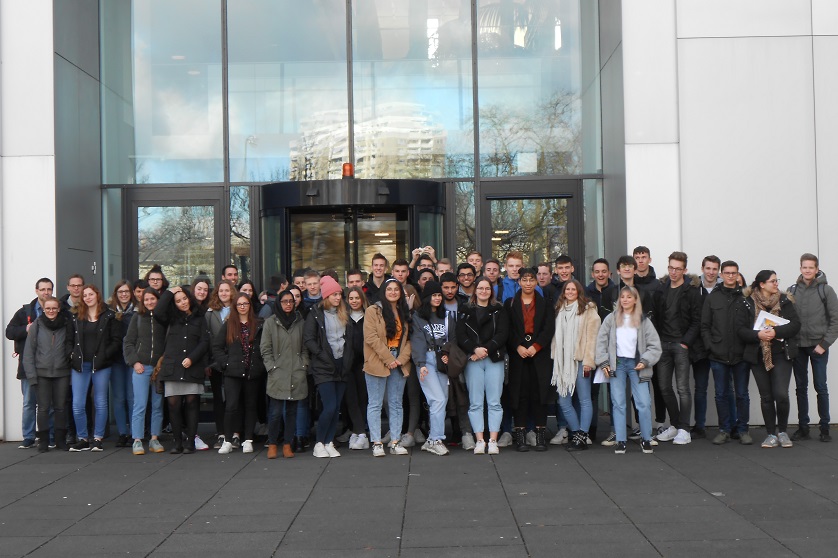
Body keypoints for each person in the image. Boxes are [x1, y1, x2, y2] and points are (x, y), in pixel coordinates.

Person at [595, 286, 662, 454]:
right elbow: (600, 342)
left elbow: (655, 346)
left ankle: (646, 438)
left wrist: (645, 360)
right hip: (617, 364)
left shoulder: (644, 320)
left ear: (635, 300)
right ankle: (621, 440)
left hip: (637, 365)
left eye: (629, 297)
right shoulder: (611, 319)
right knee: (618, 403)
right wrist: (604, 362)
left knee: (644, 403)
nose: (625, 300)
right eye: (622, 297)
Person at [740, 270, 801, 448]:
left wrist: (776, 332)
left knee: (781, 394)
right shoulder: (747, 303)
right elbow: (741, 330)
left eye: (776, 280)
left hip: (782, 354)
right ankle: (770, 434)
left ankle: (782, 432)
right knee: (766, 396)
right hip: (758, 355)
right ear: (762, 284)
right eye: (772, 281)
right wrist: (758, 334)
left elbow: (796, 325)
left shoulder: (785, 301)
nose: (776, 284)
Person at [651, 252, 701, 446]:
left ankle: (684, 429)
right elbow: (655, 315)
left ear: (685, 270)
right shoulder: (662, 288)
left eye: (678, 269)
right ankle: (675, 425)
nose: (673, 272)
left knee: (682, 388)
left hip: (681, 345)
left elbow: (697, 321)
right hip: (663, 344)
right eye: (671, 267)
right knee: (664, 387)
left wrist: (685, 342)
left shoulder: (691, 291)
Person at [701, 260, 753, 445]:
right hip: (718, 355)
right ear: (721, 275)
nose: (730, 276)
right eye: (727, 273)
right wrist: (711, 346)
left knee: (742, 394)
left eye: (734, 273)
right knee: (721, 394)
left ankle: (743, 430)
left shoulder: (747, 298)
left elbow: (752, 325)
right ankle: (724, 430)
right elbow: (705, 326)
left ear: (738, 275)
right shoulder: (712, 297)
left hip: (740, 355)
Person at [789, 253, 838, 442]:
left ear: (817, 269)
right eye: (804, 267)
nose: (807, 270)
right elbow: (788, 319)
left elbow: (835, 320)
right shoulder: (792, 290)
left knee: (821, 387)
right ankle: (803, 428)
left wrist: (824, 344)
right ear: (800, 268)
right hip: (799, 347)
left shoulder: (826, 290)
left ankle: (824, 428)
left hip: (818, 347)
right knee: (801, 387)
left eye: (811, 267)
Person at [457, 276, 509, 455]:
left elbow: (503, 333)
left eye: (487, 288)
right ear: (475, 289)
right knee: (475, 402)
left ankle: (493, 439)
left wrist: (485, 349)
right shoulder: (465, 310)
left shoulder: (499, 309)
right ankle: (480, 439)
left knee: (494, 401)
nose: (484, 291)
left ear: (491, 291)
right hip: (473, 360)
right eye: (480, 288)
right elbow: (460, 334)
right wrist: (474, 349)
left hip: (494, 358)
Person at [505, 268, 555, 452]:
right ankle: (520, 435)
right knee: (520, 394)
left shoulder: (546, 304)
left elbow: (549, 329)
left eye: (531, 280)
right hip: (518, 354)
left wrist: (536, 346)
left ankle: (540, 434)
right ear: (519, 282)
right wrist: (517, 345)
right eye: (524, 279)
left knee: (539, 394)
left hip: (539, 354)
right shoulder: (510, 304)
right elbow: (507, 329)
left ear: (536, 282)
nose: (528, 283)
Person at [304, 276, 354, 458]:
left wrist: (347, 360)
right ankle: (319, 442)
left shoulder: (344, 312)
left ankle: (328, 441)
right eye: (334, 294)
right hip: (324, 366)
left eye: (339, 294)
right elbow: (309, 339)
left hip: (342, 365)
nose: (338, 297)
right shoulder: (315, 313)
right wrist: (322, 355)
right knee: (330, 406)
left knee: (337, 407)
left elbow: (349, 338)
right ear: (326, 296)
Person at [156, 286, 209, 454]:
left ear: (190, 298)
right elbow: (158, 311)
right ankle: (177, 442)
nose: (182, 303)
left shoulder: (200, 317)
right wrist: (170, 292)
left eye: (184, 299)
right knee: (173, 405)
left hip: (193, 367)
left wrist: (192, 358)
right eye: (178, 301)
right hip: (172, 368)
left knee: (192, 404)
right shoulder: (170, 318)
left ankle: (190, 442)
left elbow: (204, 342)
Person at [69, 285, 122, 452]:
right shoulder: (76, 316)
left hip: (101, 365)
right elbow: (69, 340)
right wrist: (71, 354)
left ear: (97, 295)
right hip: (80, 365)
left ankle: (98, 438)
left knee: (100, 402)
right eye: (85, 295)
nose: (87, 297)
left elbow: (116, 341)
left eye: (90, 294)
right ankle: (83, 438)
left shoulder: (109, 316)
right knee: (77, 403)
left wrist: (105, 355)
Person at [364, 278, 412, 457]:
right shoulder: (373, 311)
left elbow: (409, 340)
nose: (393, 292)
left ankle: (395, 441)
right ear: (383, 291)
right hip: (378, 360)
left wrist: (400, 359)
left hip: (399, 362)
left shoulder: (404, 312)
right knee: (375, 403)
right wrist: (388, 358)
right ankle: (377, 442)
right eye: (389, 289)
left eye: (396, 289)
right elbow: (371, 338)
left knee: (396, 403)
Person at [6, 277, 55, 449]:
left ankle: (49, 436)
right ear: (36, 291)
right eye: (43, 289)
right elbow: (9, 332)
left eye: (49, 289)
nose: (46, 292)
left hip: (49, 364)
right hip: (28, 365)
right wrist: (25, 329)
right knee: (29, 402)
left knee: (48, 403)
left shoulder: (55, 310)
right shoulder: (24, 312)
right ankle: (28, 436)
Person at [214, 293, 265, 454]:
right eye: (239, 304)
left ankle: (248, 439)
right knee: (231, 406)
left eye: (246, 304)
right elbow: (217, 347)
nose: (243, 307)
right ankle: (228, 440)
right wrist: (226, 363)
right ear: (235, 307)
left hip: (252, 371)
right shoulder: (229, 324)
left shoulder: (258, 324)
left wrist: (261, 365)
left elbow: (265, 347)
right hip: (232, 372)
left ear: (250, 305)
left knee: (251, 406)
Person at [551, 280, 600, 452]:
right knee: (563, 401)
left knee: (584, 400)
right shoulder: (559, 309)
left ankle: (581, 435)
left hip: (580, 362)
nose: (570, 292)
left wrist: (588, 361)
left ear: (579, 291)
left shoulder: (588, 310)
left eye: (573, 289)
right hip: (563, 362)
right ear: (563, 292)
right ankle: (578, 434)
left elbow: (592, 338)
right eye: (567, 289)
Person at [261, 289, 308, 459]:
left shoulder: (300, 322)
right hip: (277, 372)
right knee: (275, 412)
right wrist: (271, 367)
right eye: (284, 301)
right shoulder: (270, 323)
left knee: (292, 412)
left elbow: (305, 347)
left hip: (296, 371)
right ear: (278, 303)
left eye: (291, 301)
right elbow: (265, 349)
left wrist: (303, 364)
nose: (288, 304)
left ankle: (287, 444)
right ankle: (273, 443)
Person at [22, 296, 73, 452]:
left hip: (62, 372)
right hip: (41, 373)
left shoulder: (66, 324)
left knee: (60, 408)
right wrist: (31, 376)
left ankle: (60, 440)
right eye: (48, 308)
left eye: (54, 308)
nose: (51, 311)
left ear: (59, 309)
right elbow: (28, 353)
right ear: (43, 309)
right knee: (43, 408)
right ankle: (43, 441)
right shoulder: (36, 325)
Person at [410, 281, 453, 456]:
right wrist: (420, 364)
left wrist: (448, 352)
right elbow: (417, 341)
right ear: (427, 298)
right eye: (433, 295)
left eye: (438, 295)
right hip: (426, 360)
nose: (437, 298)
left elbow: (453, 338)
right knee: (437, 400)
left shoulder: (447, 316)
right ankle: (436, 439)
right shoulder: (418, 317)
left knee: (442, 399)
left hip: (442, 360)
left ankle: (431, 440)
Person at [123, 287, 167, 455]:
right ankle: (137, 440)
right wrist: (134, 362)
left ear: (158, 300)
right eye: (146, 300)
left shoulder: (163, 318)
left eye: (153, 299)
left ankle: (154, 439)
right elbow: (128, 342)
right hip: (141, 367)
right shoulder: (137, 317)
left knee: (157, 405)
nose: (149, 302)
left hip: (159, 368)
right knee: (140, 404)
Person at [690, 255, 722, 439]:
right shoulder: (694, 289)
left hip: (720, 346)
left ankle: (729, 426)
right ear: (702, 268)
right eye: (708, 268)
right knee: (700, 388)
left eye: (714, 269)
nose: (711, 272)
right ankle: (699, 425)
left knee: (724, 389)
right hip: (699, 346)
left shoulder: (724, 288)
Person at [206, 280, 237, 448]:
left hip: (234, 360)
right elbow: (208, 338)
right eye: (221, 291)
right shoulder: (210, 313)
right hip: (216, 362)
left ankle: (234, 433)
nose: (224, 293)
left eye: (227, 290)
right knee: (219, 398)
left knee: (233, 399)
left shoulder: (237, 309)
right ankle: (221, 433)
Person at [108, 280, 136, 448]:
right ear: (116, 294)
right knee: (118, 398)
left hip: (133, 360)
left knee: (133, 398)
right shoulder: (109, 312)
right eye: (120, 292)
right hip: (116, 360)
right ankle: (122, 433)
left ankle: (134, 432)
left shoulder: (138, 311)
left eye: (126, 291)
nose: (124, 294)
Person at [341, 286, 370, 450]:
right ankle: (358, 432)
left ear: (362, 299)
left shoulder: (370, 316)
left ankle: (361, 432)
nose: (354, 301)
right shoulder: (343, 317)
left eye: (357, 298)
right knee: (350, 399)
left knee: (363, 399)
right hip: (348, 364)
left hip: (365, 363)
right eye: (351, 298)